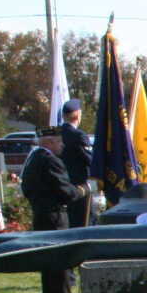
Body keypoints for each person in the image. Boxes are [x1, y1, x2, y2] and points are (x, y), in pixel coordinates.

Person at [19, 127, 88, 293]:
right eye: (59, 142)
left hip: (41, 215)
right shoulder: (50, 160)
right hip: (55, 217)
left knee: (48, 264)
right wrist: (84, 189)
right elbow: (66, 192)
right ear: (49, 143)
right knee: (60, 264)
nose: (62, 145)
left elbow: (26, 188)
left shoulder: (33, 158)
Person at [59, 98, 93, 230]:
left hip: (61, 184)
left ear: (63, 116)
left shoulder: (56, 134)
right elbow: (90, 159)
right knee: (82, 222)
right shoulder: (79, 136)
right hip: (79, 186)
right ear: (78, 115)